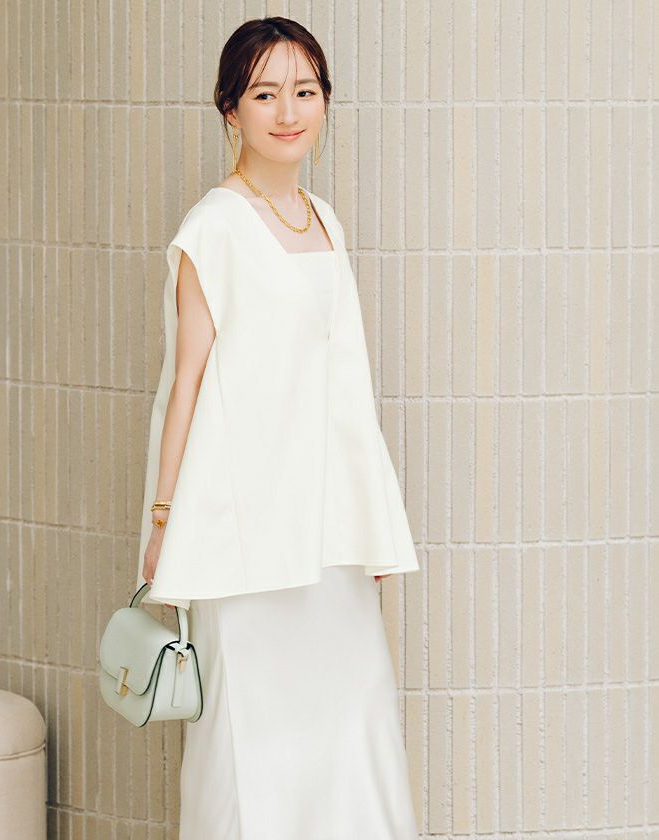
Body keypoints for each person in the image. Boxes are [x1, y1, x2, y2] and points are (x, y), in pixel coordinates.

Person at [136, 16, 420, 840]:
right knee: (251, 738)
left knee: (355, 721)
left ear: (326, 102)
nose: (288, 112)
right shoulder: (213, 227)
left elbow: (346, 391)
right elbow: (184, 385)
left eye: (305, 91)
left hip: (329, 533)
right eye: (265, 94)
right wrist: (163, 521)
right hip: (245, 535)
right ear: (230, 108)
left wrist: (371, 521)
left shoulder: (323, 219)